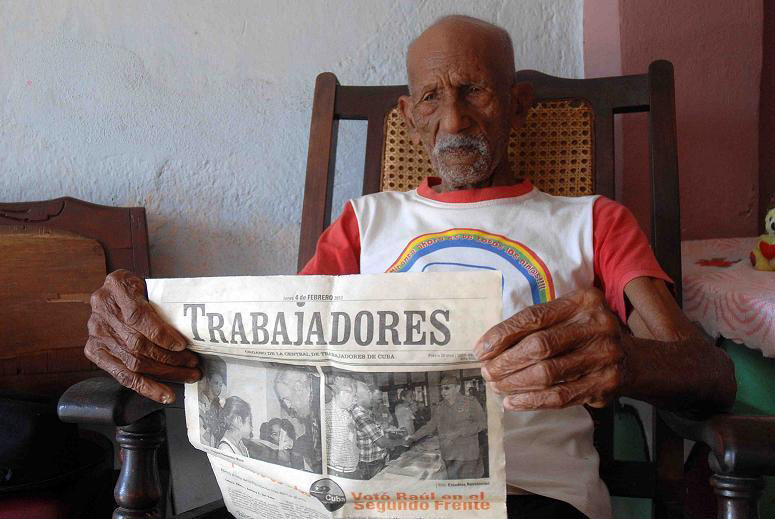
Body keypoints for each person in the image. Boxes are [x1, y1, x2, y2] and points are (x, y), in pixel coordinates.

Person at [83, 14, 736, 518]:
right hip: (353, 495)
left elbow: (710, 374)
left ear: (518, 103)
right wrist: (143, 319)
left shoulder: (591, 220)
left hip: (525, 494)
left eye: (474, 91)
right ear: (407, 117)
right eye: (431, 97)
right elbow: (273, 344)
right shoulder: (363, 223)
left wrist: (627, 358)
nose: (453, 119)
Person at [408, 375, 486, 479]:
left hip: (466, 453)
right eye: (441, 389)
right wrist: (413, 437)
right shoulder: (440, 407)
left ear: (457, 388)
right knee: (452, 482)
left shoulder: (470, 402)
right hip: (448, 453)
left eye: (447, 388)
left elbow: (482, 423)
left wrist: (460, 432)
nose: (443, 392)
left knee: (467, 485)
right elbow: (430, 425)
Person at [349, 378, 406, 480]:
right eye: (368, 393)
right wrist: (403, 441)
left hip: (377, 460)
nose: (371, 396)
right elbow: (382, 442)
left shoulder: (367, 412)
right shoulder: (360, 414)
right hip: (370, 465)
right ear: (357, 397)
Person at [273, 368, 322, 472]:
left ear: (299, 387)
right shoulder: (308, 406)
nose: (288, 406)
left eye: (286, 399)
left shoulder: (322, 398)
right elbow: (313, 440)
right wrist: (292, 443)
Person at [325, 376, 360, 478]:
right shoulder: (328, 412)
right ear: (344, 393)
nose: (355, 400)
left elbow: (351, 441)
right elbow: (337, 448)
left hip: (350, 469)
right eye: (353, 396)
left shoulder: (346, 413)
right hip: (338, 471)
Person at [198, 356, 226, 447]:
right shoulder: (200, 403)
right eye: (216, 383)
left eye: (221, 385)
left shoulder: (219, 404)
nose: (219, 388)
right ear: (209, 381)